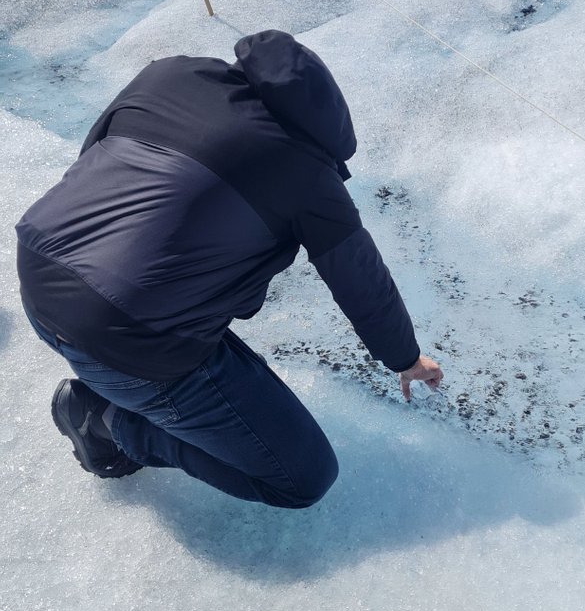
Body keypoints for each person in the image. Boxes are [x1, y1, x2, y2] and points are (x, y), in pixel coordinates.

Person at [16, 30, 443, 507]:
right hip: (127, 339)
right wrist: (405, 358)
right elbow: (361, 282)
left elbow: (96, 155)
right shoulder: (307, 173)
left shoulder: (168, 75)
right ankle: (108, 423)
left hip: (39, 270)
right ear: (327, 133)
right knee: (302, 477)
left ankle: (121, 376)